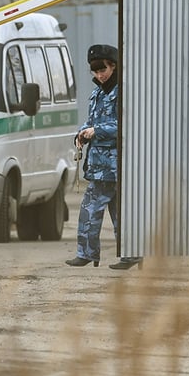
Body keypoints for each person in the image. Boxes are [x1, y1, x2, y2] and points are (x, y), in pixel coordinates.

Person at [65, 43, 141, 271]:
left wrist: (97, 131)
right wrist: (82, 133)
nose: (99, 75)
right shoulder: (97, 92)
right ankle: (131, 253)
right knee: (119, 210)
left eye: (103, 70)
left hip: (116, 163)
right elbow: (92, 120)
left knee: (91, 208)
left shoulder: (124, 92)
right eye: (96, 71)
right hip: (100, 163)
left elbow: (127, 124)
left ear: (114, 66)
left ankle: (87, 253)